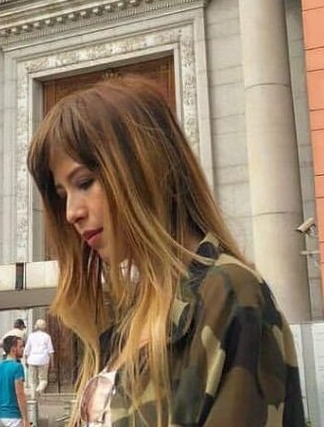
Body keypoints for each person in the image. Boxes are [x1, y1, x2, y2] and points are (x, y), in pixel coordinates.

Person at [26, 77, 305, 427]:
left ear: (145, 167)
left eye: (84, 182)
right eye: (63, 194)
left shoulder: (228, 293)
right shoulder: (132, 314)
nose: (71, 213)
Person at [0, 335, 29, 427]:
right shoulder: (17, 367)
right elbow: (19, 393)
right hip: (13, 417)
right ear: (13, 349)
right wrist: (26, 419)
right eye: (20, 346)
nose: (23, 349)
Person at [22, 319, 54, 397]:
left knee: (33, 381)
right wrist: (52, 363)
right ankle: (39, 390)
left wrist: (25, 360)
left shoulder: (31, 336)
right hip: (43, 360)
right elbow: (50, 351)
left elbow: (26, 350)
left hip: (32, 360)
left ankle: (33, 397)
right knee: (43, 380)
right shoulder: (47, 337)